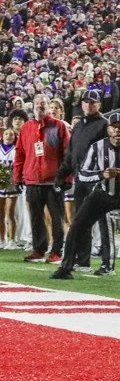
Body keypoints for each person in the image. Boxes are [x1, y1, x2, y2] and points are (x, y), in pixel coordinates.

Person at [50, 110, 120, 278]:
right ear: (108, 129)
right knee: (77, 225)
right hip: (103, 194)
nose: (117, 131)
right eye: (114, 127)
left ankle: (108, 265)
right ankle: (65, 268)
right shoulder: (97, 147)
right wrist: (101, 174)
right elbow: (83, 174)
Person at [54, 89, 108, 269]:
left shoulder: (104, 125)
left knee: (102, 222)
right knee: (81, 219)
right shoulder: (78, 126)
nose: (89, 105)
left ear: (99, 104)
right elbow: (70, 155)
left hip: (98, 180)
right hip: (80, 179)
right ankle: (83, 259)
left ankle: (106, 262)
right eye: (86, 102)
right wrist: (62, 174)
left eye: (93, 102)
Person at [14, 94, 70, 263]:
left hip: (54, 181)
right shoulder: (27, 128)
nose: (40, 106)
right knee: (36, 217)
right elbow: (20, 154)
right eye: (38, 104)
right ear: (33, 107)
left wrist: (67, 178)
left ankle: (57, 251)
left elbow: (68, 154)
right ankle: (39, 249)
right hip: (32, 180)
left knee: (56, 217)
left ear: (48, 106)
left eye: (43, 104)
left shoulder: (59, 126)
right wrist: (17, 177)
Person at [0, 127, 20, 248]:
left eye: (11, 134)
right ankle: (1, 240)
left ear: (15, 137)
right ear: (2, 136)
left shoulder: (16, 150)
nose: (8, 136)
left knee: (10, 213)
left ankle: (12, 240)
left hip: (11, 184)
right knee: (0, 214)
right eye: (6, 134)